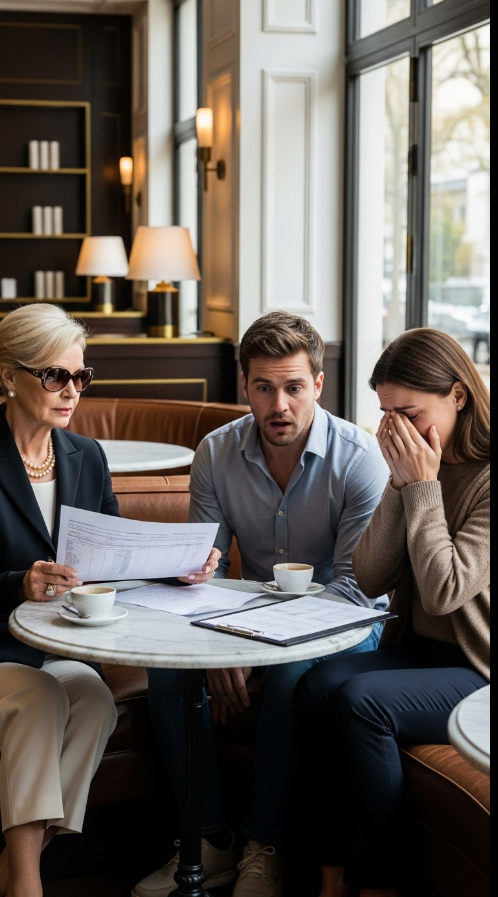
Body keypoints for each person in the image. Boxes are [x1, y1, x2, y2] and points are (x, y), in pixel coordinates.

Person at [132, 311, 389, 897]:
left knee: (294, 674)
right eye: (264, 387)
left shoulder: (359, 458)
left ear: (318, 384)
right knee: (169, 671)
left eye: (294, 387)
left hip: (348, 624)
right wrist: (215, 645)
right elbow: (204, 572)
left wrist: (249, 646)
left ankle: (265, 844)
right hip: (253, 617)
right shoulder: (215, 452)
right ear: (244, 384)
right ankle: (208, 840)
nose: (280, 405)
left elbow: (354, 590)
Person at [293, 327, 490, 897]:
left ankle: (381, 887)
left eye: (409, 414)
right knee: (315, 687)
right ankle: (331, 879)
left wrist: (422, 487)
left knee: (362, 702)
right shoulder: (416, 467)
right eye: (386, 415)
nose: (396, 430)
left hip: (477, 666)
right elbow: (372, 576)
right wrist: (400, 488)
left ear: (458, 395)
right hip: (421, 651)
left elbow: (445, 590)